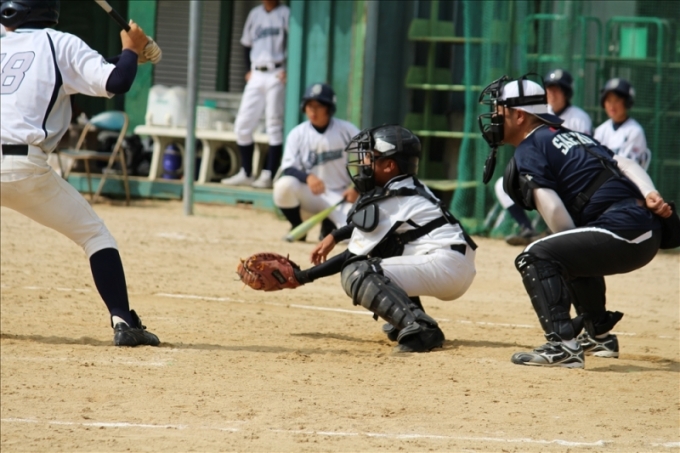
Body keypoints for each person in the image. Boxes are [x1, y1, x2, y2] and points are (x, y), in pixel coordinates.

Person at [477, 74, 672, 368]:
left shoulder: (529, 147)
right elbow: (625, 163)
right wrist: (650, 193)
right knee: (567, 247)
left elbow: (555, 210)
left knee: (537, 256)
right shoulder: (572, 134)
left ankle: (563, 345)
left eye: (499, 111)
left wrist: (563, 255)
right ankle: (599, 335)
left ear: (519, 116)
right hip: (645, 228)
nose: (494, 118)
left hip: (623, 230)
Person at [0, 0, 159, 347]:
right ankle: (124, 321)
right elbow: (116, 82)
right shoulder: (60, 42)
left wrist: (130, 57)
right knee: (95, 235)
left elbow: (62, 74)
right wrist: (131, 50)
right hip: (24, 168)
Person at [288, 125, 477, 352]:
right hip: (451, 262)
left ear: (389, 165)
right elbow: (371, 227)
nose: (363, 162)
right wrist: (335, 235)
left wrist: (302, 277)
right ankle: (408, 319)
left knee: (358, 271)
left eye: (370, 157)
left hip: (445, 266)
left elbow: (351, 256)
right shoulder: (407, 186)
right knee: (384, 248)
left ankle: (422, 330)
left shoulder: (393, 198)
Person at [497, 69, 593, 246]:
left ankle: (558, 235)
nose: (551, 93)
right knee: (504, 184)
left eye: (557, 89)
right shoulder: (539, 113)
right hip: (544, 171)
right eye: (549, 88)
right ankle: (527, 229)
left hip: (569, 175)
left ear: (566, 93)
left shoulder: (579, 117)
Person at [274, 83, 360, 240]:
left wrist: (357, 188)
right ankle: (297, 225)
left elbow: (369, 160)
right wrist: (308, 177)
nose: (313, 110)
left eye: (319, 106)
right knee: (283, 186)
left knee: (354, 236)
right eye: (309, 105)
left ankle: (329, 225)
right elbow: (288, 167)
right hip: (310, 194)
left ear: (329, 108)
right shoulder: (298, 133)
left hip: (338, 196)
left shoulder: (346, 129)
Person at [221, 0, 289, 189]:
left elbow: (294, 42)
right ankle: (246, 172)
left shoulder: (286, 13)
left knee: (274, 124)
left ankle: (269, 174)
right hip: (256, 73)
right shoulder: (255, 14)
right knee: (242, 125)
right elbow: (246, 43)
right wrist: (248, 69)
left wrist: (288, 68)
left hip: (277, 72)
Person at [594, 78, 650, 170]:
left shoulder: (635, 131)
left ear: (627, 102)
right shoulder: (600, 130)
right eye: (608, 100)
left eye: (616, 100)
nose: (612, 105)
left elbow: (627, 169)